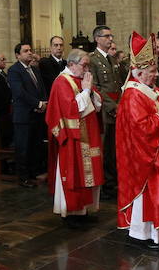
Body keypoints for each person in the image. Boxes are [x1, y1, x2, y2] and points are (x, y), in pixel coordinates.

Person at [116, 32, 159, 251]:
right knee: (149, 196)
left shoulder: (151, 90)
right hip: (145, 159)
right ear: (139, 72)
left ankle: (157, 233)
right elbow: (141, 127)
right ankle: (142, 234)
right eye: (152, 71)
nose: (156, 74)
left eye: (156, 70)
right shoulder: (132, 95)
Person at [46, 49, 104, 228]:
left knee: (89, 174)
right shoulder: (62, 81)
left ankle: (84, 210)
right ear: (71, 64)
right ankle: (71, 213)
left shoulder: (81, 79)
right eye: (84, 65)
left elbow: (97, 105)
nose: (87, 69)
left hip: (88, 137)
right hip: (72, 139)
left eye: (88, 65)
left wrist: (90, 92)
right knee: (74, 173)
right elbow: (70, 110)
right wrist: (86, 91)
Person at [7, 42, 47, 187]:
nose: (30, 53)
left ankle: (33, 173)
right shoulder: (14, 70)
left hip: (36, 115)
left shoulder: (35, 70)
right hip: (23, 116)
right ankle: (23, 178)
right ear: (18, 55)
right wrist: (37, 104)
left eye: (30, 50)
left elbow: (41, 88)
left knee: (35, 146)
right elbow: (20, 92)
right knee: (23, 147)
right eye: (25, 51)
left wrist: (43, 103)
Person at [90, 26, 122, 196]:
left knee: (113, 148)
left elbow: (117, 85)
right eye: (107, 36)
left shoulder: (112, 59)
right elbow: (96, 87)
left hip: (116, 107)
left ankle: (112, 180)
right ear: (97, 38)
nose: (110, 39)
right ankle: (105, 185)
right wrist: (112, 106)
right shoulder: (93, 59)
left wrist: (121, 104)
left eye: (111, 35)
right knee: (105, 148)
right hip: (104, 110)